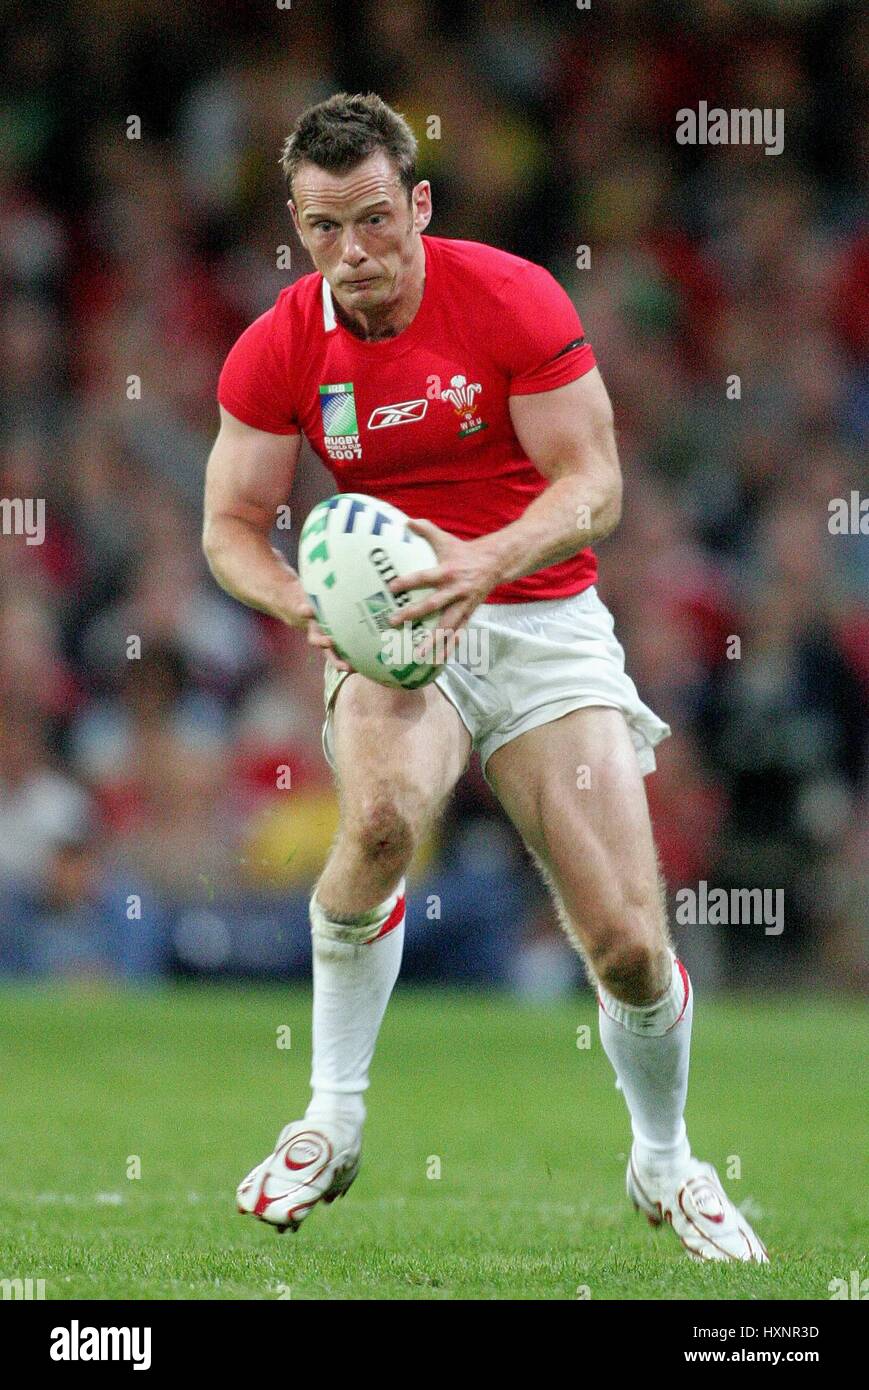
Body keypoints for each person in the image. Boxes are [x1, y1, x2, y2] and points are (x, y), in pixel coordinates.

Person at [203, 92, 767, 1262]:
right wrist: (301, 602)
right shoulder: (278, 343)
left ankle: (662, 1159)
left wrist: (486, 561)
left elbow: (593, 487)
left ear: (417, 204)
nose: (350, 253)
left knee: (622, 942)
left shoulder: (510, 296)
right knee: (375, 822)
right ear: (295, 228)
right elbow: (229, 525)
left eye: (371, 220)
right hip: (395, 630)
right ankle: (330, 1119)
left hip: (539, 615)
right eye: (320, 228)